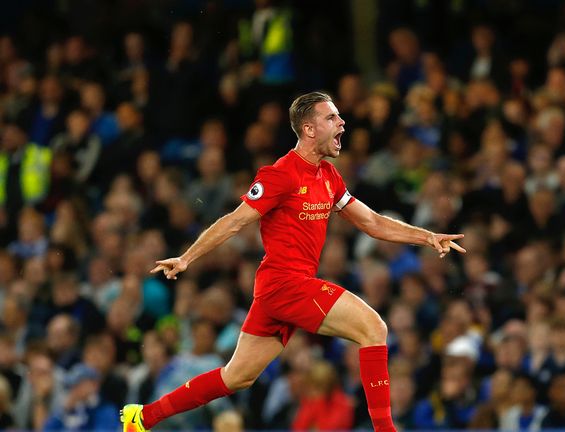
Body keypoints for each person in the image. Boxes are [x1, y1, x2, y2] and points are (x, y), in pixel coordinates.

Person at [121, 91, 466, 432]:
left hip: (278, 291)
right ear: (309, 129)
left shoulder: (329, 176)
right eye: (331, 117)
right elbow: (235, 220)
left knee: (236, 377)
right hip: (285, 284)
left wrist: (428, 236)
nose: (342, 122)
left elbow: (372, 222)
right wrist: (186, 257)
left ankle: (141, 418)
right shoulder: (280, 174)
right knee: (373, 328)